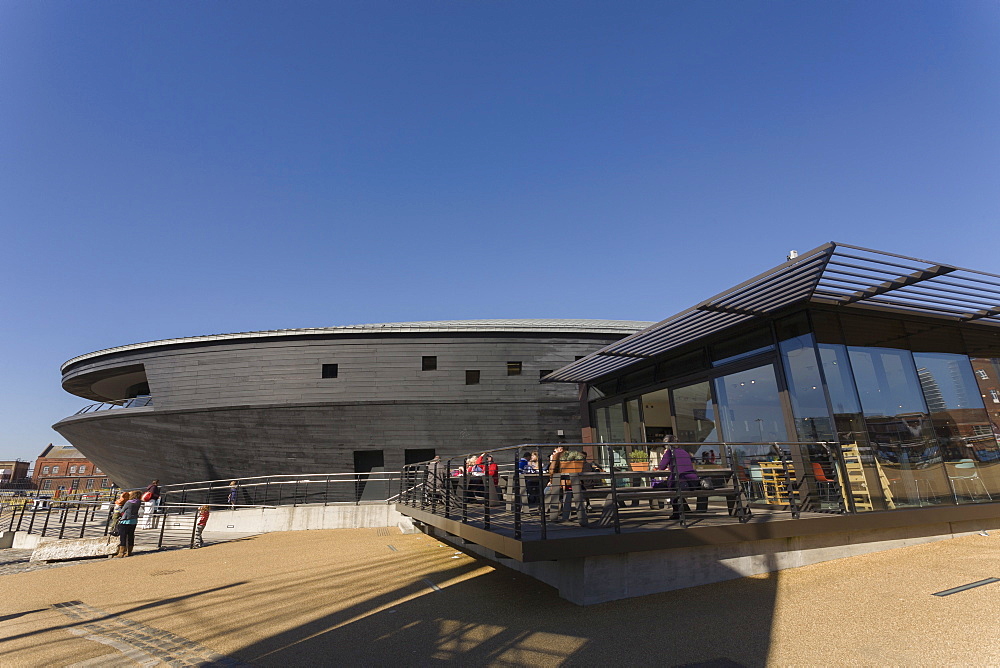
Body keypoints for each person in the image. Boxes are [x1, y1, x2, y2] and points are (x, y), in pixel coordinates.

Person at [658, 441, 707, 519]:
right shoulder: (684, 452)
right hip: (693, 482)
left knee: (673, 487)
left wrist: (665, 455)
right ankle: (691, 510)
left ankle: (677, 513)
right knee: (676, 486)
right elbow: (691, 462)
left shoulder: (670, 452)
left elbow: (661, 467)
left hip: (681, 482)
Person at [115, 491, 140, 557]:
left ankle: (121, 552)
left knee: (123, 536)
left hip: (125, 521)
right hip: (134, 521)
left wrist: (118, 507)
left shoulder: (129, 502)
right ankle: (129, 551)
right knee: (131, 536)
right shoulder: (139, 502)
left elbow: (122, 510)